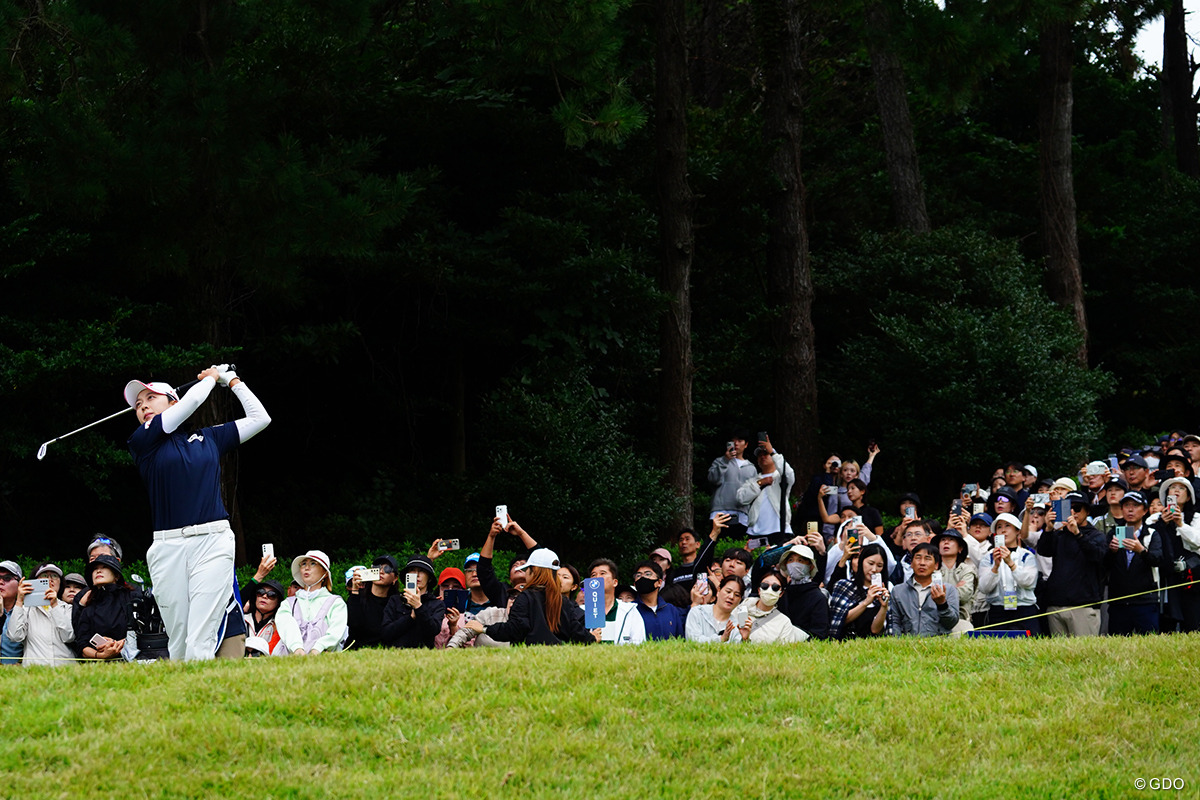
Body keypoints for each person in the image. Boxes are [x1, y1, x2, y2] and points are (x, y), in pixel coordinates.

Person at [124, 364, 270, 661]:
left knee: (201, 633)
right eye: (138, 405)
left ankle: (200, 696)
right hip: (168, 546)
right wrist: (212, 377)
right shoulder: (142, 442)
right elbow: (192, 402)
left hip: (213, 540)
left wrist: (233, 381)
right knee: (178, 635)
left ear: (171, 401)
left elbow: (260, 418)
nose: (143, 407)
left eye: (151, 398)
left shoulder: (208, 438)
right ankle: (184, 698)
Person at [467, 549, 598, 645]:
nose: (525, 575)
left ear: (534, 571)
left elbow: (515, 629)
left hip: (531, 661)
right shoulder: (563, 601)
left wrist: (484, 628)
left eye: (527, 570)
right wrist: (592, 638)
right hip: (559, 660)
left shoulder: (525, 597)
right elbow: (576, 631)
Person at [1035, 492, 1106, 637]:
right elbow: (1043, 550)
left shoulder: (1096, 535)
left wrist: (1078, 534)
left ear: (1087, 511)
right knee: (1059, 655)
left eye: (1077, 508)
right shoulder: (1059, 534)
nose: (1073, 512)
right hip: (1056, 604)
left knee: (1086, 654)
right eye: (1068, 508)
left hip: (1083, 605)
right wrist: (1048, 528)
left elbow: (1098, 556)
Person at [1105, 491, 1163, 635]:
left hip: (1145, 601)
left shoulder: (1151, 534)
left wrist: (1141, 550)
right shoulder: (1113, 533)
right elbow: (1103, 564)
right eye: (1126, 505)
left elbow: (1157, 560)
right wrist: (1111, 551)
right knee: (1117, 647)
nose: (1130, 510)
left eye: (1135, 506)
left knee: (1149, 645)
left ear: (1145, 510)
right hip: (1118, 601)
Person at [275, 550, 348, 655]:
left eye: (313, 563)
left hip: (325, 658)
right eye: (303, 564)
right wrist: (297, 648)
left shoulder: (336, 603)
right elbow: (286, 625)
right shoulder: (288, 603)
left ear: (324, 572)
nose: (306, 567)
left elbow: (336, 631)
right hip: (290, 658)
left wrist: (318, 648)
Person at [977, 512, 1039, 632]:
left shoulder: (1027, 555)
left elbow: (1029, 582)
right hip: (998, 610)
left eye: (1007, 526)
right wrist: (995, 567)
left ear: (1018, 531)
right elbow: (984, 588)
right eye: (999, 527)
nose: (1003, 530)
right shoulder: (989, 557)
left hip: (1024, 609)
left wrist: (1011, 563)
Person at [7, 563, 74, 667]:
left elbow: (69, 637)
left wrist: (55, 605)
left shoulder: (68, 608)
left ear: (60, 583)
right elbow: (14, 636)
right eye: (44, 576)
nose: (50, 579)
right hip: (34, 670)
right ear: (34, 581)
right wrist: (19, 601)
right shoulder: (26, 609)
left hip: (65, 669)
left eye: (54, 576)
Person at [71, 555, 135, 661]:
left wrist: (121, 643)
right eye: (95, 569)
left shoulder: (131, 596)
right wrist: (101, 655)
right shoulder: (87, 604)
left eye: (104, 567)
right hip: (98, 666)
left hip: (131, 662)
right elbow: (82, 643)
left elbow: (144, 630)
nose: (98, 571)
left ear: (117, 575)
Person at [887, 543, 959, 637]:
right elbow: (895, 623)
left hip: (938, 645)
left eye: (928, 558)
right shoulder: (898, 591)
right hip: (907, 645)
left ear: (936, 565)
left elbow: (951, 623)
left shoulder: (948, 590)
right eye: (918, 558)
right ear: (911, 564)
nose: (922, 563)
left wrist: (942, 604)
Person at [1158, 477, 1200, 632]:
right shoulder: (1155, 518)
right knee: (1166, 623)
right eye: (1172, 487)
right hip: (1166, 579)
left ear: (1188, 496)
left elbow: (1197, 542)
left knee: (1192, 623)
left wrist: (1180, 524)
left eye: (1181, 488)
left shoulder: (1196, 518)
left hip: (1192, 579)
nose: (1176, 491)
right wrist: (1162, 524)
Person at [736, 437, 796, 546]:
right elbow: (741, 498)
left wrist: (772, 452)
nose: (762, 456)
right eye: (759, 455)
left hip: (780, 530)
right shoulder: (752, 480)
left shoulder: (780, 477)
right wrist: (760, 483)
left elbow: (789, 474)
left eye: (766, 453)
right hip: (755, 532)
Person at [828, 543, 891, 640]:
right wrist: (866, 602)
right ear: (861, 562)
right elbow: (839, 621)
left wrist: (884, 607)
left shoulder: (884, 591)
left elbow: (875, 630)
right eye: (870, 563)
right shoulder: (844, 586)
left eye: (879, 565)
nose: (874, 569)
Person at [731, 567, 809, 643]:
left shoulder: (784, 622)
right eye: (765, 586)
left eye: (775, 587)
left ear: (781, 593)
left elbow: (783, 652)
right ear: (759, 590)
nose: (769, 590)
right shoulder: (741, 609)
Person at [381, 555, 444, 648]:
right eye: (412, 570)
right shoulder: (395, 600)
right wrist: (410, 618)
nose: (417, 574)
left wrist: (419, 608)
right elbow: (385, 633)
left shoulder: (436, 604)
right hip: (395, 655)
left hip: (424, 657)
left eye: (422, 571)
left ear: (429, 578)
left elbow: (433, 631)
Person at [707, 432, 756, 540]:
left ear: (746, 444)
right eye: (733, 441)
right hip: (720, 512)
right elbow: (713, 479)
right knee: (718, 546)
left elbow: (754, 492)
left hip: (742, 514)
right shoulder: (719, 461)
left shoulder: (751, 467)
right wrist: (725, 460)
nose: (736, 444)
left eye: (740, 441)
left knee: (737, 549)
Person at [774, 544, 830, 639]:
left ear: (811, 566)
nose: (795, 564)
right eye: (791, 560)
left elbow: (820, 634)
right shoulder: (782, 594)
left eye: (800, 560)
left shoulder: (818, 598)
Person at [586, 559, 646, 644]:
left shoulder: (629, 611)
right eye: (593, 575)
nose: (597, 577)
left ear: (615, 582)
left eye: (602, 573)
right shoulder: (584, 611)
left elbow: (639, 643)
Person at [345, 555, 399, 649]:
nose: (381, 571)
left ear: (395, 578)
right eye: (376, 568)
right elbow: (354, 625)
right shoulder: (357, 596)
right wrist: (354, 590)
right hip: (357, 650)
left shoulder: (396, 602)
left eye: (387, 569)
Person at [632, 561, 686, 640]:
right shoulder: (630, 610)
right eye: (638, 575)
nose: (642, 577)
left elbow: (680, 640)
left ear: (659, 582)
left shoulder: (671, 610)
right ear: (634, 584)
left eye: (648, 574)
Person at [932, 529, 976, 627]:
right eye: (943, 540)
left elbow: (965, 596)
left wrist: (941, 594)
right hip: (934, 619)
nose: (946, 542)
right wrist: (955, 589)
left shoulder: (967, 570)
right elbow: (927, 596)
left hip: (961, 619)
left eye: (951, 539)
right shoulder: (931, 570)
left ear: (960, 548)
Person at [685, 576, 746, 643]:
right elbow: (693, 640)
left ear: (740, 600)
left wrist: (745, 639)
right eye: (728, 592)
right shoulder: (698, 612)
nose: (731, 597)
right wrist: (721, 639)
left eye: (737, 595)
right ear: (718, 591)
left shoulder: (737, 626)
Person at [242, 579, 287, 655]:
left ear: (278, 602)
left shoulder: (279, 626)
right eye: (260, 592)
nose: (264, 596)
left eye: (272, 595)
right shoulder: (242, 619)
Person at [0, 560, 25, 665]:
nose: (1, 582)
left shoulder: (26, 612)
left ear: (20, 584)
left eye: (7, 578)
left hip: (17, 674)